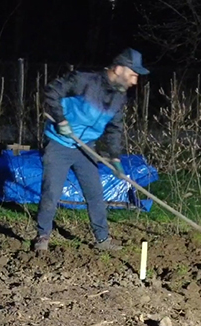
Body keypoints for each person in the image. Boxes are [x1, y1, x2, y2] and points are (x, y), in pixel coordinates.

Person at [33, 48, 147, 252]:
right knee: (51, 192)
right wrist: (60, 119)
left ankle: (102, 239)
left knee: (95, 194)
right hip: (59, 143)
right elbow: (51, 91)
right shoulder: (83, 80)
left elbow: (115, 129)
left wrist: (115, 158)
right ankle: (43, 236)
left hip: (86, 148)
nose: (134, 82)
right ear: (119, 69)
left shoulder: (118, 98)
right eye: (133, 75)